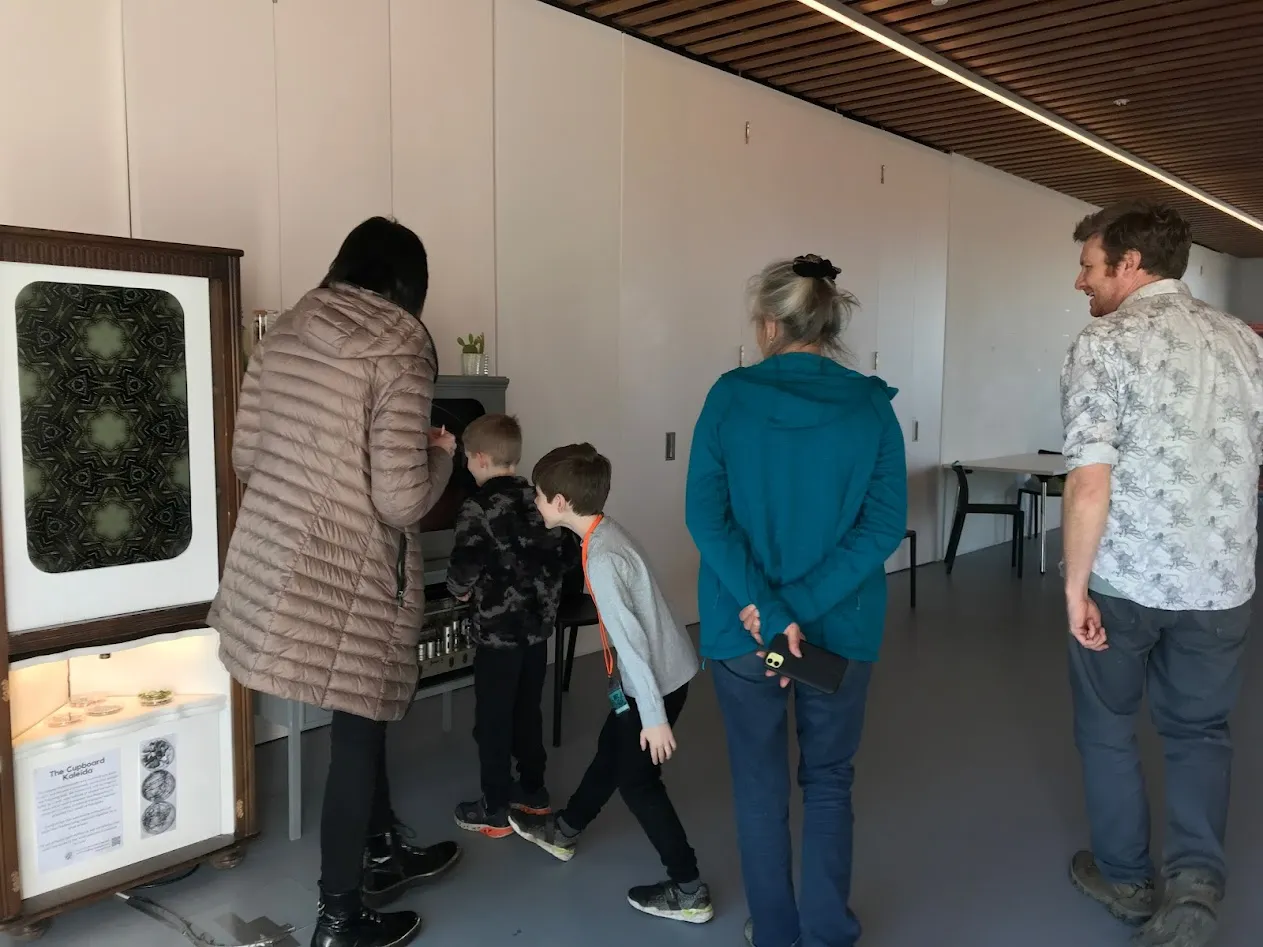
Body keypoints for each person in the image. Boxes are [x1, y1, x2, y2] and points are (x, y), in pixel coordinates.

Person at [208, 217, 461, 947]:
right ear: (406, 285)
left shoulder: (284, 330)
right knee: (357, 729)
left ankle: (382, 850)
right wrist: (441, 455)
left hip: (273, 565)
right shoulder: (403, 346)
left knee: (362, 720)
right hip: (353, 575)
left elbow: (248, 453)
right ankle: (340, 915)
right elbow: (401, 501)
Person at [685, 254, 908, 947]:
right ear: (830, 325)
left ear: (767, 325)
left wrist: (768, 609)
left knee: (758, 786)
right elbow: (880, 525)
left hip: (740, 628)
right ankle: (826, 929)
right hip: (839, 628)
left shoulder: (728, 396)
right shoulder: (871, 406)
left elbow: (704, 515)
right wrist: (801, 607)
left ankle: (775, 931)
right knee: (830, 780)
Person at [1060, 200, 1263, 947]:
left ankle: (1124, 876)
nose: (1078, 281)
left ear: (1129, 264)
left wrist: (1073, 583)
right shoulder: (1242, 342)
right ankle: (1195, 884)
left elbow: (1088, 480)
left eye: (1088, 264)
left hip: (1125, 581)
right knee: (1200, 731)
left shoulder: (1105, 342)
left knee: (1108, 727)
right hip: (1219, 583)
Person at [509, 444, 714, 925]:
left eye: (538, 496)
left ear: (560, 502)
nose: (534, 503)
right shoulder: (605, 531)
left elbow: (633, 642)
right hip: (664, 673)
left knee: (639, 782)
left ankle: (689, 889)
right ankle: (565, 829)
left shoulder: (601, 558)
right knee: (612, 748)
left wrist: (655, 719)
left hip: (655, 683)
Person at [446, 413, 575, 837]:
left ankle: (496, 808)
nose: (466, 465)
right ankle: (534, 794)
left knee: (493, 720)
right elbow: (566, 555)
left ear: (481, 458)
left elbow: (465, 565)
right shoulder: (542, 499)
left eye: (467, 457)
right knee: (527, 711)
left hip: (497, 636)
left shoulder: (477, 506)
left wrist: (458, 590)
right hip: (537, 630)